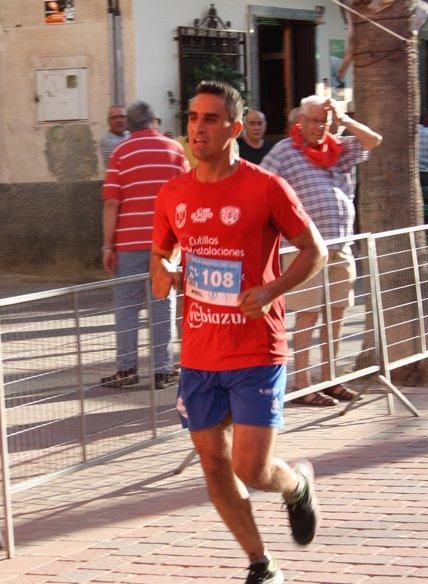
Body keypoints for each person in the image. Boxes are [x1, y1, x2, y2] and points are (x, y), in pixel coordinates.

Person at [150, 80, 327, 584]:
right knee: (213, 468)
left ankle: (295, 487)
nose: (197, 128)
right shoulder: (173, 192)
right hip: (200, 354)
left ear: (233, 127)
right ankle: (261, 564)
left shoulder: (265, 187)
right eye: (192, 117)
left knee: (251, 468)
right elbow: (160, 254)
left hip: (256, 349)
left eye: (209, 119)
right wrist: (162, 272)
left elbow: (315, 251)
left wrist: (271, 290)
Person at [261, 95, 382, 407]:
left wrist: (344, 121)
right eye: (313, 121)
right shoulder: (285, 152)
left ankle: (330, 378)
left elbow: (374, 140)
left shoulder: (337, 148)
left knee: (336, 314)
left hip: (340, 246)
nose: (318, 128)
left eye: (324, 122)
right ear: (300, 122)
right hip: (304, 251)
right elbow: (260, 185)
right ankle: (302, 383)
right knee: (308, 315)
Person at [101, 101, 189, 389]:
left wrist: (107, 246)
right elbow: (187, 196)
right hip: (165, 243)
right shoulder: (175, 150)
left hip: (128, 243)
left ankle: (126, 370)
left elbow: (112, 202)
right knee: (162, 304)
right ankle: (163, 370)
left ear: (130, 123)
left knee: (127, 306)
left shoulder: (120, 153)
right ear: (153, 120)